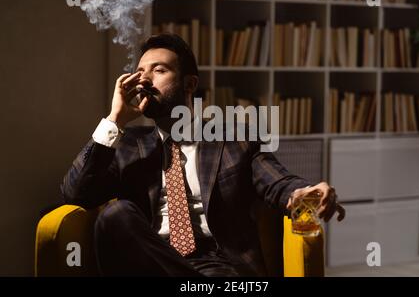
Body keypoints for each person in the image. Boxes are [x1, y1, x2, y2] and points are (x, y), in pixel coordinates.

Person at [61, 33, 345, 277]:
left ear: (189, 84)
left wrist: (307, 194)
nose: (144, 80)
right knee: (116, 215)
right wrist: (115, 120)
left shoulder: (234, 139)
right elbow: (76, 194)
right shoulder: (125, 145)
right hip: (148, 262)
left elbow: (277, 183)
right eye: (140, 71)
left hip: (217, 265)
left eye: (159, 70)